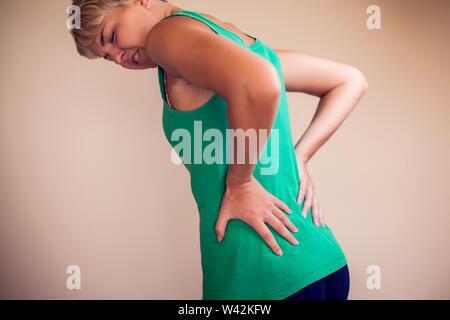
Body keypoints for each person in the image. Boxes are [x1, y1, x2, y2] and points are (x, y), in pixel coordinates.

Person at [69, 0, 368, 300]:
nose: (119, 57)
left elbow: (260, 83)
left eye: (111, 36)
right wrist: (299, 157)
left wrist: (241, 183)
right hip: (321, 263)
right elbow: (350, 80)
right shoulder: (236, 43)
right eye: (107, 57)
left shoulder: (165, 35)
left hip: (263, 277)